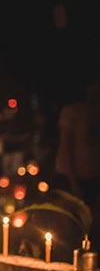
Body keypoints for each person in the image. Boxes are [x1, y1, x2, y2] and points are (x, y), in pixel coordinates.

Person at [54, 79, 100, 239]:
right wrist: (72, 182)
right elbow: (65, 147)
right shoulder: (73, 111)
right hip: (71, 176)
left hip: (92, 177)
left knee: (91, 228)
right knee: (69, 226)